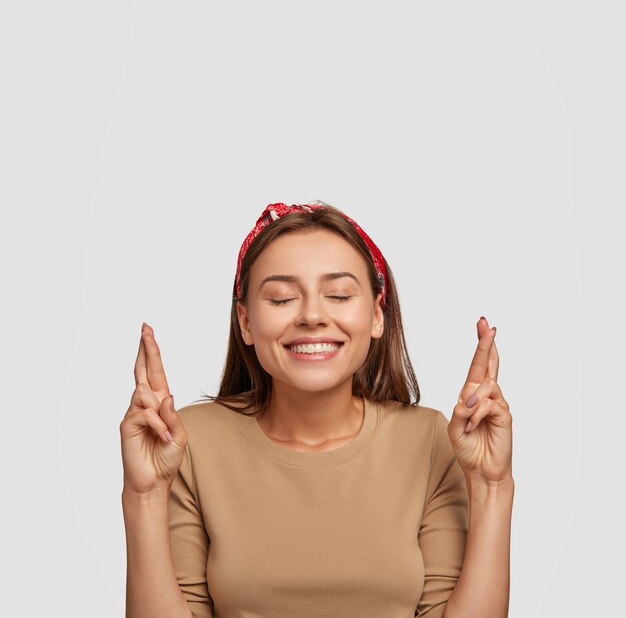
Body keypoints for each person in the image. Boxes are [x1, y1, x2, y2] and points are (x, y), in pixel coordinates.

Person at [120, 201, 514, 618]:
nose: (312, 316)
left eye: (339, 295)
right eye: (282, 298)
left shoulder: (430, 439)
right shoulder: (188, 442)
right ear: (246, 322)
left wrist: (491, 486)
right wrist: (144, 495)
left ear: (377, 315)